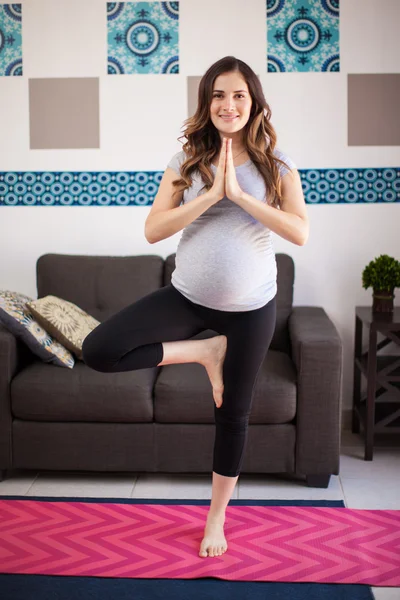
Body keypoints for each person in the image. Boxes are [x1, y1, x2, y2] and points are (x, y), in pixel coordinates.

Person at [82, 55, 309, 559]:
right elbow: (153, 228)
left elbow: (299, 231)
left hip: (251, 308)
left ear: (254, 104)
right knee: (100, 349)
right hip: (187, 296)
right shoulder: (187, 159)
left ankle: (216, 518)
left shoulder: (278, 163)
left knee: (233, 412)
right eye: (219, 95)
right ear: (207, 103)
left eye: (239, 95)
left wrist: (239, 195)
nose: (229, 104)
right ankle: (204, 353)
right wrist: (209, 195)